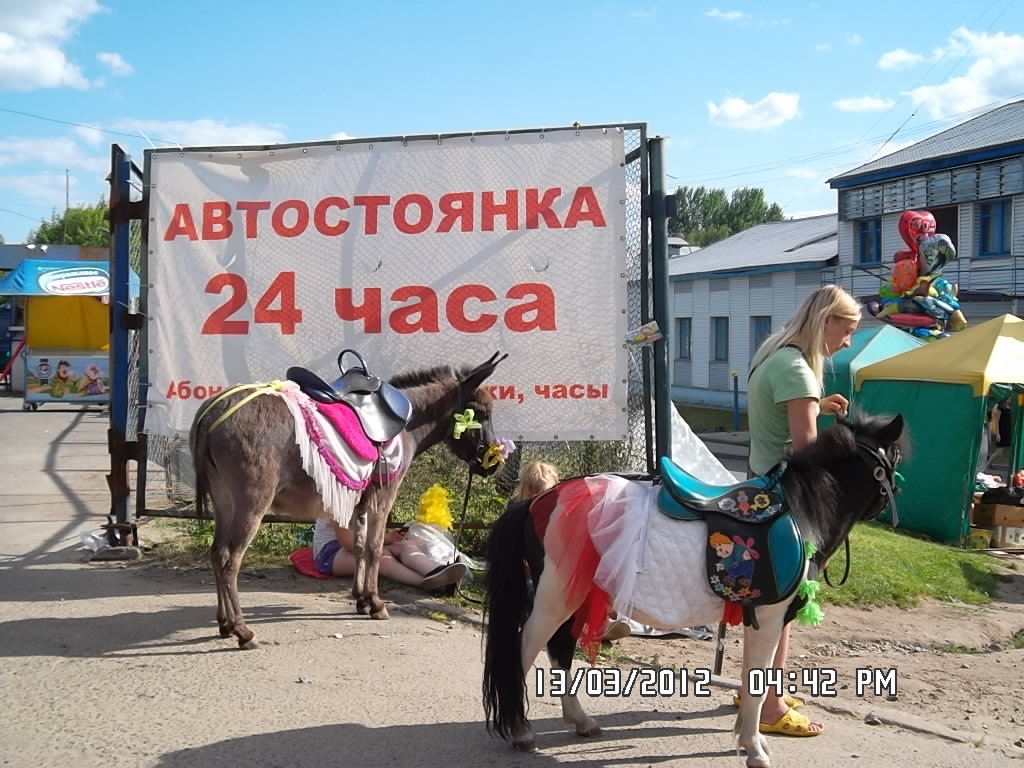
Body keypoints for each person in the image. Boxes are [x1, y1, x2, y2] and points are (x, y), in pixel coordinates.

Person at [742, 284, 861, 737]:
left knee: (775, 606)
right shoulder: (799, 372)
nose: (847, 342)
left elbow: (777, 417)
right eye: (846, 331)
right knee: (785, 606)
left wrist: (816, 406)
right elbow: (807, 454)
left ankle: (760, 691)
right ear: (826, 321)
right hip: (786, 500)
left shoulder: (773, 352)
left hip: (758, 484)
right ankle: (769, 706)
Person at [311, 516, 468, 592]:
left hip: (358, 543)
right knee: (380, 560)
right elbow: (349, 543)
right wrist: (383, 541)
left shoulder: (367, 495)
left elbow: (367, 534)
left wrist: (388, 538)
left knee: (405, 545)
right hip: (330, 552)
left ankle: (436, 571)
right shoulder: (338, 499)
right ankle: (439, 585)